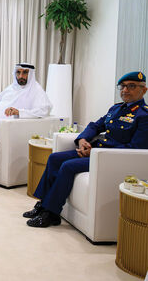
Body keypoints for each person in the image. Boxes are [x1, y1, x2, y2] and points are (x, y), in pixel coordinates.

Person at [25, 71, 148, 227]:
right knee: (54, 158)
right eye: (123, 86)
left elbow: (134, 149)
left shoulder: (144, 115)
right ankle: (42, 205)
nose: (125, 90)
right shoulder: (116, 109)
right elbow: (95, 126)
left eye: (131, 86)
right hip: (96, 152)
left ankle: (52, 213)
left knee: (68, 166)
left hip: (109, 158)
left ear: (144, 90)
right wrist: (83, 140)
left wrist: (95, 153)